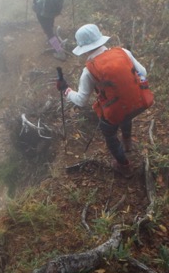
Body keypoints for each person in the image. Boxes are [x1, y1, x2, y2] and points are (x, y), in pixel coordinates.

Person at [55, 24, 154, 177]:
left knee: (109, 133)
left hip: (116, 111)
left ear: (84, 48)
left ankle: (124, 165)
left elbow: (81, 100)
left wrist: (66, 90)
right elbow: (144, 72)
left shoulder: (89, 70)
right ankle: (127, 142)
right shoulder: (123, 52)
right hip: (139, 103)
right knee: (126, 112)